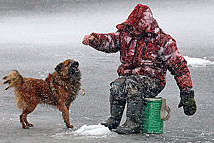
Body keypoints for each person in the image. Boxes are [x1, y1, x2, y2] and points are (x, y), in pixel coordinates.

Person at [82, 4, 196, 134]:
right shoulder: (126, 34)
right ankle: (114, 119)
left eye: (138, 27)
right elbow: (111, 40)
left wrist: (187, 93)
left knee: (132, 85)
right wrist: (93, 39)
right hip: (129, 77)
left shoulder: (163, 41)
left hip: (152, 80)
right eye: (132, 26)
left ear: (146, 26)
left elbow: (179, 67)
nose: (134, 30)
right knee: (117, 86)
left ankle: (133, 122)